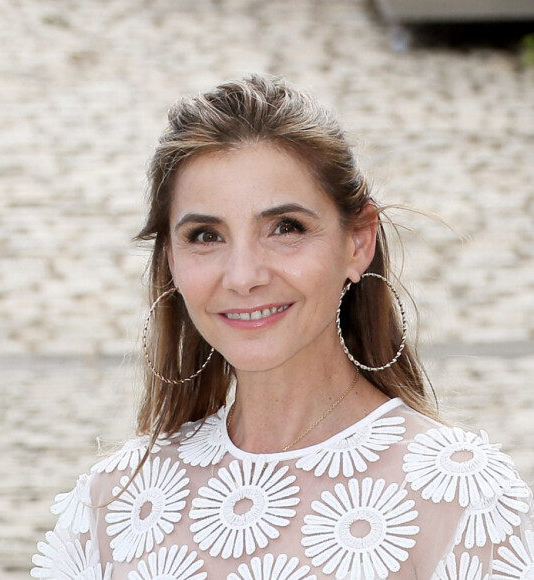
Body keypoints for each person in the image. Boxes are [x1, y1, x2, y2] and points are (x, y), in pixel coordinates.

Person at [32, 75, 533, 580]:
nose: (244, 276)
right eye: (206, 235)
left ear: (358, 242)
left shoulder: (463, 502)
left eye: (286, 228)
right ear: (171, 261)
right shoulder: (111, 504)